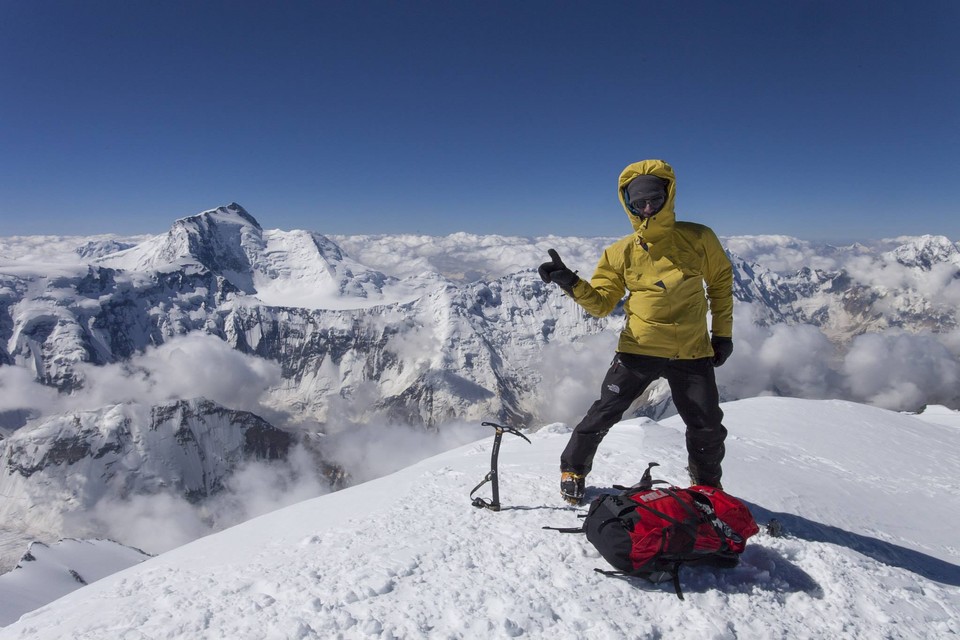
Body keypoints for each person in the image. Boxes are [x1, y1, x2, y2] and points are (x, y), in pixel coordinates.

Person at [538, 159, 734, 505]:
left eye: (654, 200)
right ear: (627, 204)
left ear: (667, 196)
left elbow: (720, 284)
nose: (646, 208)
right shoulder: (620, 253)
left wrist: (722, 334)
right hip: (639, 348)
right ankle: (573, 470)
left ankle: (707, 488)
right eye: (638, 202)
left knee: (707, 426)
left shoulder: (699, 238)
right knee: (604, 412)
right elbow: (602, 304)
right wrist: (571, 283)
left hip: (692, 349)